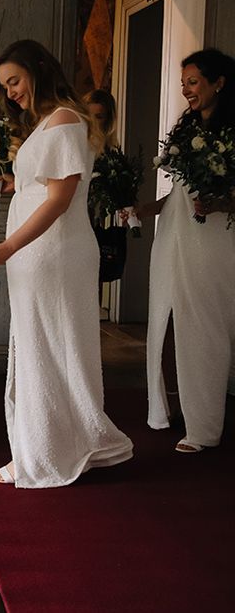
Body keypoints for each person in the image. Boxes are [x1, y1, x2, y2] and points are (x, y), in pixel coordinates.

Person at [0, 40, 133, 488]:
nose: (10, 93)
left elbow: (60, 200)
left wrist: (8, 248)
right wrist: (13, 183)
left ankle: (45, 453)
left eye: (15, 81)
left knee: (46, 348)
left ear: (39, 70)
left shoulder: (64, 121)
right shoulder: (51, 122)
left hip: (50, 252)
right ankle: (61, 442)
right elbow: (43, 187)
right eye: (5, 86)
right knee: (40, 346)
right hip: (40, 252)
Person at [133, 48, 235, 453]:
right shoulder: (186, 129)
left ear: (218, 83)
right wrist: (146, 208)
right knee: (164, 319)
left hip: (211, 239)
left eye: (193, 82)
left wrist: (221, 203)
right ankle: (162, 408)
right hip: (172, 233)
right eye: (184, 83)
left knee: (205, 325)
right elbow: (178, 193)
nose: (186, 90)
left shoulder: (230, 134)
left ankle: (204, 427)